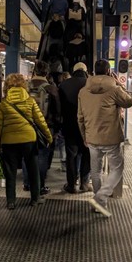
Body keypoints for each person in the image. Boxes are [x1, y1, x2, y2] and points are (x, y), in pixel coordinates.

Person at [77, 59, 132, 217]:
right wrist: (119, 84)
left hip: (92, 138)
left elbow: (79, 117)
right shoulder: (114, 89)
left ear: (94, 72)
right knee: (118, 168)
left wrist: (84, 136)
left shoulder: (83, 91)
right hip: (111, 138)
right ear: (109, 72)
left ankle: (99, 203)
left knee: (96, 171)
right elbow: (129, 102)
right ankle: (100, 197)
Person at [0, 73, 52, 210]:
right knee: (33, 169)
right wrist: (48, 136)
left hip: (8, 142)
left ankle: (11, 201)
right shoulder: (30, 100)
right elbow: (40, 121)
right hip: (28, 140)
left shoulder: (4, 103)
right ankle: (35, 199)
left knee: (10, 172)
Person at [22, 61, 61, 195]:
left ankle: (27, 183)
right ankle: (39, 185)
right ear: (47, 73)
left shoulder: (24, 87)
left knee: (27, 155)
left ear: (34, 72)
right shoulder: (51, 88)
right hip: (45, 127)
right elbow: (57, 111)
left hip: (26, 125)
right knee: (42, 156)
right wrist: (56, 129)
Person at [59, 62, 91, 193]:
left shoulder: (64, 84)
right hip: (88, 126)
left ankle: (71, 185)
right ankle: (84, 183)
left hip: (69, 126)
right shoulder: (90, 84)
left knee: (71, 156)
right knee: (87, 153)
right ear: (85, 70)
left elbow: (59, 107)